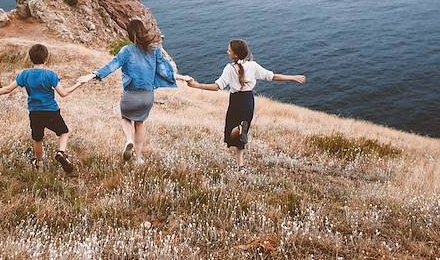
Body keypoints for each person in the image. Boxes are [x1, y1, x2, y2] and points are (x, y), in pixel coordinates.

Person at [185, 39, 306, 170]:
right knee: (241, 136)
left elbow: (217, 86)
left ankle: (239, 131)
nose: (227, 51)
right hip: (248, 101)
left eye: (229, 50)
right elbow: (272, 76)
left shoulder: (229, 68)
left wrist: (196, 85)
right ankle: (240, 164)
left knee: (230, 133)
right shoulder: (253, 66)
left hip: (236, 102)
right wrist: (292, 77)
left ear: (235, 55)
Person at [78, 18, 177, 165]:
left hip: (131, 95)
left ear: (130, 35)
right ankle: (138, 158)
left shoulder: (126, 51)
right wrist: (178, 78)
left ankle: (129, 139)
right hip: (148, 96)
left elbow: (112, 66)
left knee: (125, 118)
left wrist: (93, 75)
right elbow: (164, 70)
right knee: (140, 123)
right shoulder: (154, 50)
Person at [0, 43, 84, 173]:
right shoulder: (51, 75)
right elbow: (63, 93)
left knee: (38, 138)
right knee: (64, 132)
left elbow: (8, 89)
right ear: (46, 58)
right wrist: (78, 84)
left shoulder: (24, 74)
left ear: (30, 58)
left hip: (34, 112)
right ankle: (61, 152)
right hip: (51, 111)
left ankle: (39, 165)